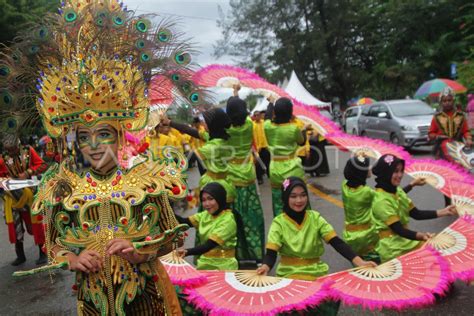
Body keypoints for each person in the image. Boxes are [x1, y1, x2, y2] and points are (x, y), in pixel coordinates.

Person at [0, 0, 222, 313]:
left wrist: (140, 251)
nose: (93, 145)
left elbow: (173, 239)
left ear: (119, 134)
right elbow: (54, 245)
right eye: (84, 137)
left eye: (103, 134)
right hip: (92, 301)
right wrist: (74, 259)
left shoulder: (147, 178)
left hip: (145, 298)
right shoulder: (61, 185)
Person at [256, 177, 376, 315]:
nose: (299, 200)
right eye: (293, 196)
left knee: (331, 297)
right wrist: (265, 267)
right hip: (290, 275)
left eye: (303, 195)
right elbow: (271, 253)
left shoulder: (315, 218)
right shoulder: (279, 223)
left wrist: (359, 261)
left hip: (315, 273)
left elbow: (336, 242)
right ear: (285, 198)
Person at [371, 154, 458, 262]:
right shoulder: (381, 201)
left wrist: (444, 211)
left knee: (438, 260)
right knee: (434, 259)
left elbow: (416, 214)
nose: (400, 175)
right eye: (395, 171)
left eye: (401, 171)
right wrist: (422, 236)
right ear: (385, 173)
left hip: (404, 241)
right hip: (392, 248)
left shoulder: (397, 191)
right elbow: (399, 230)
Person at [341, 155, 426, 262]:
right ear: (361, 173)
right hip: (366, 235)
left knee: (363, 263)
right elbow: (388, 195)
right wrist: (411, 185)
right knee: (377, 265)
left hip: (350, 233)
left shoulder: (345, 186)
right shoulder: (366, 193)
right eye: (367, 167)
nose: (370, 168)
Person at [226, 92, 265, 263]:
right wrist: (237, 95)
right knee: (251, 217)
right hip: (248, 173)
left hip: (231, 177)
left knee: (233, 217)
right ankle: (255, 254)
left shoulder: (226, 130)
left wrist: (233, 98)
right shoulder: (250, 125)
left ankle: (237, 254)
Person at [0, 135, 47, 266]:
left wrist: (28, 172)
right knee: (15, 226)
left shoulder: (28, 150)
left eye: (13, 149)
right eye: (8, 150)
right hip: (12, 196)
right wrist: (5, 179)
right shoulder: (3, 158)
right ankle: (20, 256)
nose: (11, 152)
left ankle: (43, 253)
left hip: (30, 194)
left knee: (36, 224)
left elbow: (43, 165)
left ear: (18, 146)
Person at [175, 182, 238, 270]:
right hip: (204, 262)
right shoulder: (205, 215)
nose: (207, 204)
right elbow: (183, 222)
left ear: (219, 198)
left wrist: (187, 251)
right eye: (204, 200)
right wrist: (163, 206)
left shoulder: (228, 220)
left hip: (224, 266)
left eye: (210, 199)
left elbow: (209, 245)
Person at [264, 97, 309, 217]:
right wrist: (304, 130)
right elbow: (301, 142)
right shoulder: (293, 128)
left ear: (275, 112)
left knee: (279, 202)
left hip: (275, 169)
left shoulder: (268, 127)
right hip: (293, 168)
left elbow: (267, 117)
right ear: (290, 112)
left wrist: (270, 102)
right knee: (298, 200)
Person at [429, 87, 472, 157]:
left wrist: (469, 139)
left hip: (458, 147)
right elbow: (431, 134)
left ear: (453, 101)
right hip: (441, 148)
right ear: (441, 102)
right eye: (444, 101)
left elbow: (466, 131)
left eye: (449, 100)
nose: (447, 103)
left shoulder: (460, 116)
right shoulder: (437, 117)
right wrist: (438, 136)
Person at [252, 111, 270, 185]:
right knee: (258, 164)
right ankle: (260, 178)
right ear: (254, 116)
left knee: (268, 161)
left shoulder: (264, 123)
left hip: (265, 146)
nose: (257, 117)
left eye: (258, 115)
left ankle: (270, 175)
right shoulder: (253, 125)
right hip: (257, 147)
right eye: (255, 115)